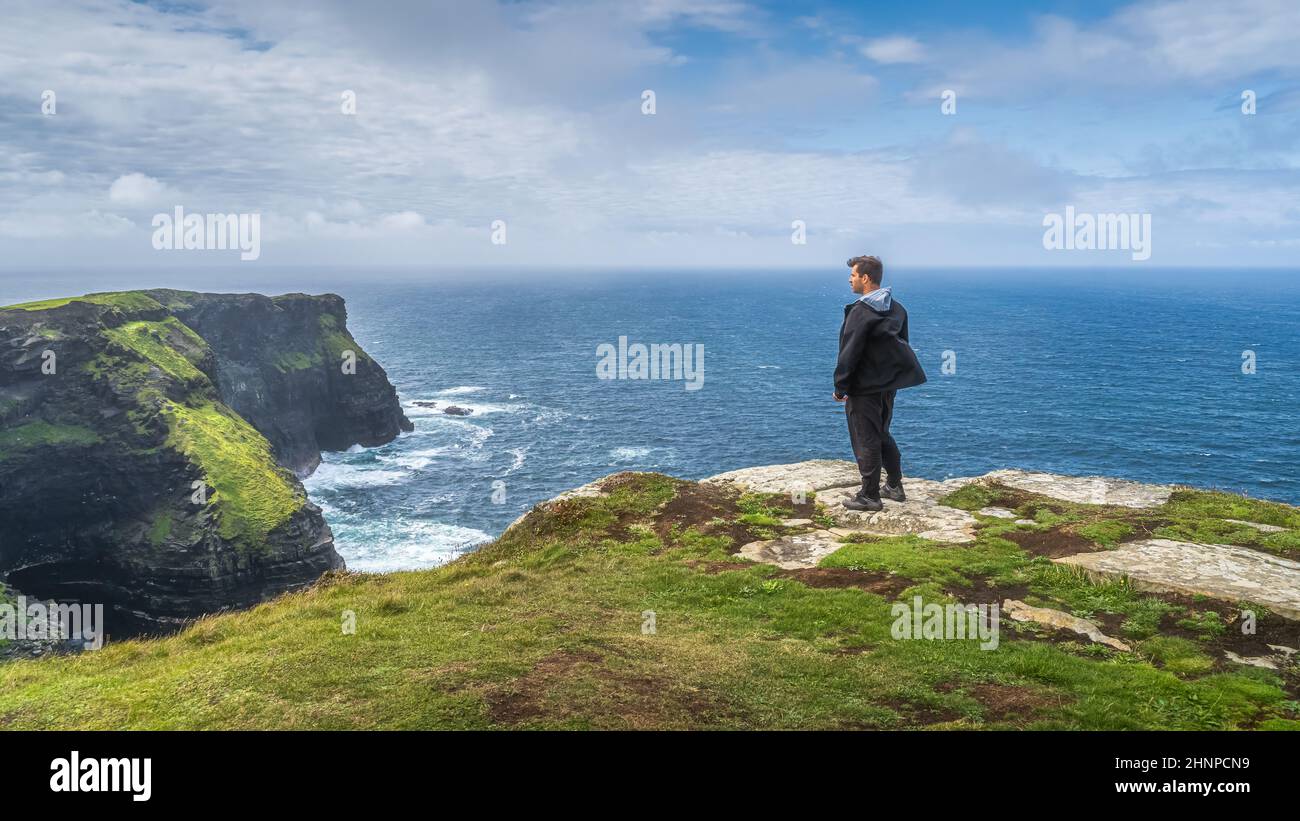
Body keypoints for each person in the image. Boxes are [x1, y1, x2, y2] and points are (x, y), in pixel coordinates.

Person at [833, 255, 927, 511]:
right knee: (881, 433)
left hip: (864, 388)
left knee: (866, 438)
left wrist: (840, 386)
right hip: (888, 386)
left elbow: (849, 353)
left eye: (853, 275)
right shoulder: (897, 309)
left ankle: (870, 496)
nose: (850, 280)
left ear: (865, 278)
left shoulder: (861, 312)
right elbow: (902, 345)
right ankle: (894, 486)